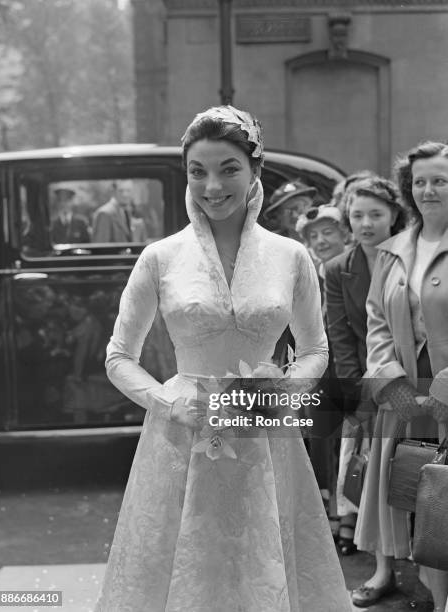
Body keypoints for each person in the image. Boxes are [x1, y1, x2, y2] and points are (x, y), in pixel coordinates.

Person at [95, 105, 351, 611]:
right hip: (181, 436)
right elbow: (119, 356)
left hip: (265, 434)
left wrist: (281, 390)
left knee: (264, 565)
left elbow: (315, 349)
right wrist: (169, 403)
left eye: (228, 169)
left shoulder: (290, 256)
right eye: (198, 172)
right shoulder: (161, 257)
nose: (212, 186)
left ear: (255, 169)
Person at [352, 141, 448, 611]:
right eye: (420, 182)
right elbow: (376, 321)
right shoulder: (392, 251)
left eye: (440, 180)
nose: (428, 190)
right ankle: (429, 594)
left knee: (446, 505)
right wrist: (394, 384)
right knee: (412, 498)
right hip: (404, 401)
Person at [324, 176, 407, 558]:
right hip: (361, 374)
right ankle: (355, 525)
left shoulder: (410, 257)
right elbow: (339, 335)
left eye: (376, 214)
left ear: (394, 215)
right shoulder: (338, 268)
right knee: (359, 454)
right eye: (357, 215)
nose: (366, 223)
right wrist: (356, 387)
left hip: (408, 373)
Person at [295, 205, 349, 538]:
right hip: (317, 367)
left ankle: (349, 515)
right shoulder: (307, 272)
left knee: (352, 441)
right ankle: (326, 509)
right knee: (319, 437)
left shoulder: (354, 268)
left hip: (350, 364)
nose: (321, 240)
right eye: (313, 236)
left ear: (345, 234)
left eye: (328, 232)